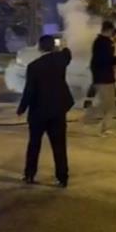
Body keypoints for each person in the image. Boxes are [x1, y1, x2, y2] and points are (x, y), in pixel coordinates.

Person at [17, 35, 73, 187]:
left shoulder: (34, 66)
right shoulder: (60, 60)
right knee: (59, 145)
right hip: (57, 111)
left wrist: (21, 108)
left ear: (40, 48)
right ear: (53, 47)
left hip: (38, 112)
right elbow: (68, 53)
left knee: (34, 144)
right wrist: (62, 44)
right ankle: (62, 178)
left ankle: (29, 174)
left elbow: (29, 91)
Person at [90, 21, 116, 136]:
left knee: (107, 105)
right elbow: (104, 60)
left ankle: (89, 121)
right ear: (109, 30)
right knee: (108, 106)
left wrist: (115, 64)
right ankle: (102, 129)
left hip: (104, 77)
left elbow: (104, 60)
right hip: (103, 78)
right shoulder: (103, 43)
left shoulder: (102, 42)